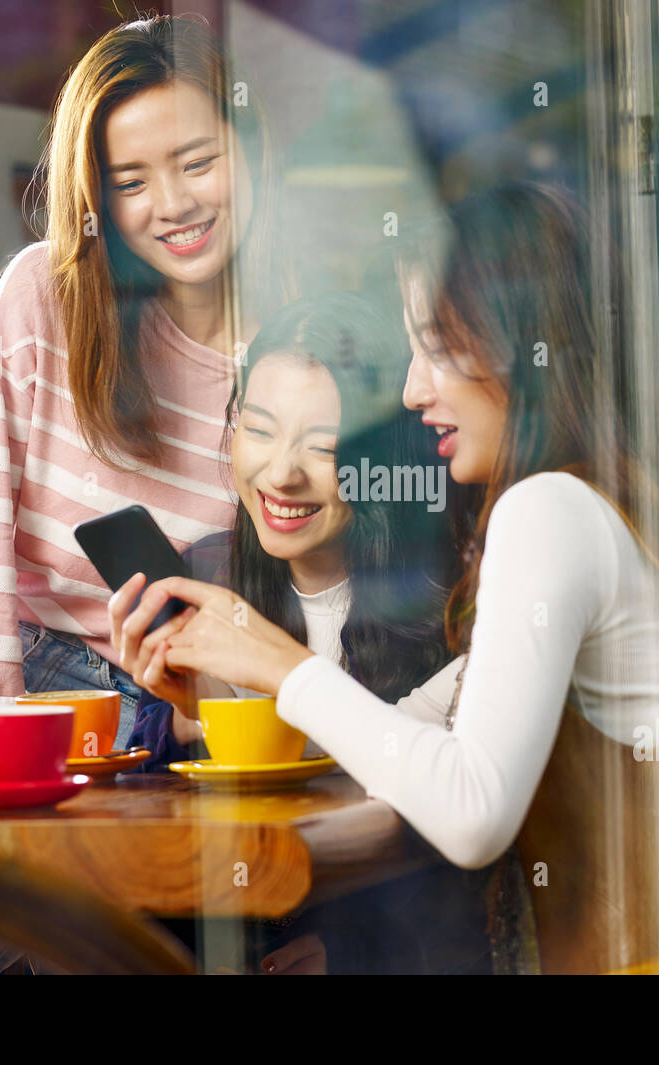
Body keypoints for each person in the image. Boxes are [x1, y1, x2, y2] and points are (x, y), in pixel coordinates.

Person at [111, 182, 659, 971]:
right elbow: (409, 733)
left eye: (441, 348)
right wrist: (218, 707)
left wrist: (278, 661)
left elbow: (471, 812)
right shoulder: (593, 498)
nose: (417, 389)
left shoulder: (546, 510)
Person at [0, 15, 289, 767]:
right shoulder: (47, 293)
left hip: (170, 709)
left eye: (198, 162)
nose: (172, 205)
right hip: (1, 663)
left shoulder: (300, 346)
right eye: (130, 182)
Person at [121, 291, 489, 973]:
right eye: (257, 430)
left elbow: (462, 869)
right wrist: (175, 721)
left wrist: (353, 960)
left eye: (322, 447)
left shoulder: (443, 613)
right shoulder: (207, 574)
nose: (281, 472)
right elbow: (156, 840)